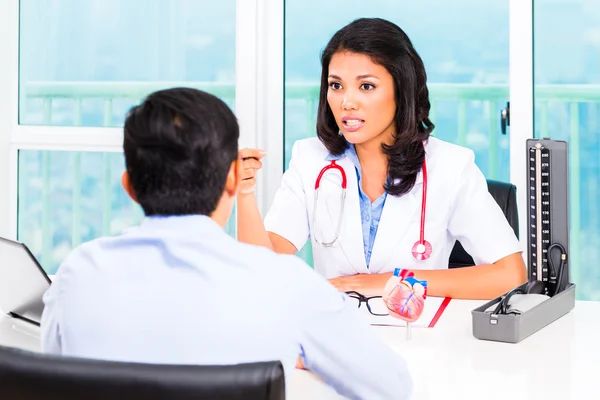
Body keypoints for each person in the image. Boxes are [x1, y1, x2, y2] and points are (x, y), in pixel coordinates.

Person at [40, 87, 413, 400]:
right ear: (234, 179)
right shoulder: (283, 284)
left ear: (130, 187)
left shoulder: (78, 274)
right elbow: (392, 388)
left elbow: (58, 380)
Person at [237, 17, 527, 300]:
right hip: (334, 332)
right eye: (336, 85)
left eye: (366, 86)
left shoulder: (451, 166)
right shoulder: (309, 159)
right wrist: (245, 193)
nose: (346, 102)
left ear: (401, 90)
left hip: (418, 337)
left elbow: (509, 275)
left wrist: (387, 282)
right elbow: (263, 269)